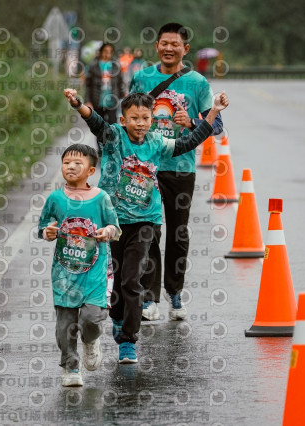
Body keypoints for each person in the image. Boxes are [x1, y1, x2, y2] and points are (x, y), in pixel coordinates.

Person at [64, 87, 229, 363]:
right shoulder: (114, 137)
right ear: (123, 119)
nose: (140, 123)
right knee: (116, 280)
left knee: (132, 279)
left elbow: (187, 143)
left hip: (145, 222)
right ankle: (117, 319)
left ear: (152, 119)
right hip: (113, 223)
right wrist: (78, 104)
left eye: (145, 118)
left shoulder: (156, 142)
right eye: (134, 118)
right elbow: (96, 122)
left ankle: (128, 341)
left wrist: (212, 112)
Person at [130, 22, 224, 322]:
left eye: (175, 44)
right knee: (149, 232)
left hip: (181, 169)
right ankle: (148, 297)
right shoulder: (142, 78)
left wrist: (192, 122)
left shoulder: (196, 83)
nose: (169, 48)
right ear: (156, 46)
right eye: (164, 43)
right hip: (146, 169)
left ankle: (174, 292)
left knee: (178, 233)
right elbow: (128, 118)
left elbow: (217, 125)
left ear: (185, 48)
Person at [37, 144, 121, 387]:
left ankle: (91, 341)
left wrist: (107, 231)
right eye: (66, 163)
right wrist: (47, 232)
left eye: (77, 163)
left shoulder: (101, 198)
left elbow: (115, 228)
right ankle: (71, 366)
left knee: (92, 318)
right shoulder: (55, 198)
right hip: (64, 272)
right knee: (65, 324)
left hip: (96, 271)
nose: (71, 167)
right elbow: (43, 227)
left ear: (91, 170)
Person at [85, 43, 125, 125]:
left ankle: (110, 138)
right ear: (101, 52)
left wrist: (123, 95)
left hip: (112, 100)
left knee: (112, 126)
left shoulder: (115, 66)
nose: (107, 53)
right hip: (97, 100)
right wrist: (88, 101)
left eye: (110, 51)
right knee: (99, 126)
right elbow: (88, 85)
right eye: (105, 51)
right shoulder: (94, 66)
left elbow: (120, 82)